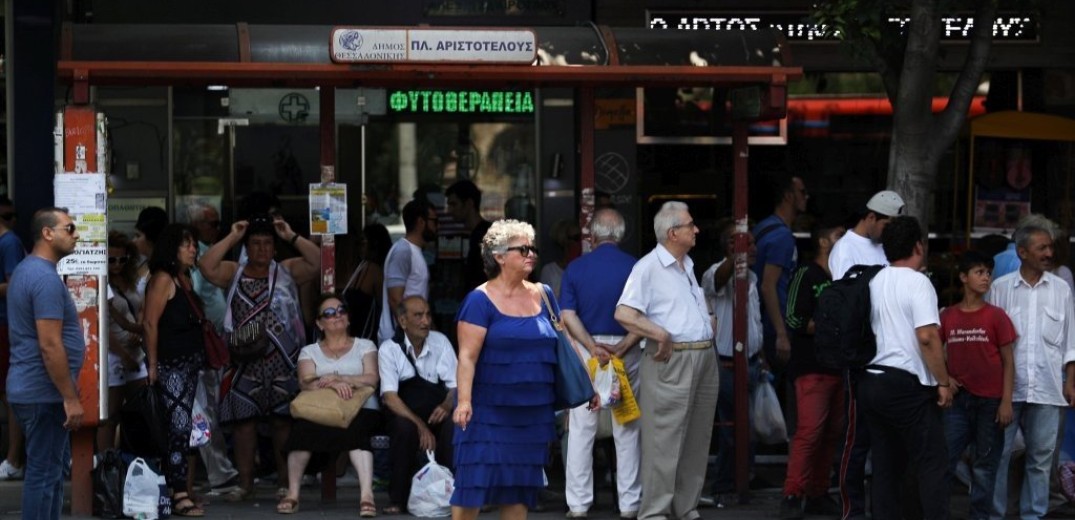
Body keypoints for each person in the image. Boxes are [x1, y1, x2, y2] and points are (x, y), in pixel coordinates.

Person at [452, 219, 572, 519]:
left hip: (532, 413)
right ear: (500, 257)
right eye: (522, 249)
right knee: (473, 482)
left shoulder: (543, 294)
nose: (531, 253)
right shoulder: (479, 300)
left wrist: (585, 385)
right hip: (487, 410)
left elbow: (562, 344)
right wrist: (464, 401)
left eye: (532, 248)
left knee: (519, 486)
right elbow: (466, 356)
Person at [199, 214, 321, 499]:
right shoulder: (234, 271)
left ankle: (283, 482)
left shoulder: (287, 270)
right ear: (247, 247)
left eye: (268, 244)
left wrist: (290, 235)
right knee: (244, 423)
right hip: (244, 359)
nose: (262, 249)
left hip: (284, 360)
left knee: (282, 422)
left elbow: (317, 262)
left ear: (275, 248)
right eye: (256, 244)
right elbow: (205, 266)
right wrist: (233, 236)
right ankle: (245, 484)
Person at [614, 201, 718, 520]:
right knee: (663, 438)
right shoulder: (647, 267)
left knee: (697, 438)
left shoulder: (686, 263)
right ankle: (655, 511)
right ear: (674, 233)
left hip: (701, 356)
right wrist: (660, 333)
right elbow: (624, 313)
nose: (696, 229)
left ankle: (685, 505)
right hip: (673, 359)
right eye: (690, 225)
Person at [853, 215, 953, 520]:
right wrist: (944, 382)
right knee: (932, 463)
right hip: (906, 385)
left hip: (871, 381)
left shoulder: (874, 279)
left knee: (885, 466)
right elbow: (926, 337)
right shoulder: (918, 282)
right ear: (918, 246)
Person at [987, 219, 1075, 520]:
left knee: (1040, 460)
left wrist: (1071, 381)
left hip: (1049, 388)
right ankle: (995, 515)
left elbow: (1071, 341)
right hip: (1008, 391)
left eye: (1050, 247)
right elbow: (991, 343)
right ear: (1023, 252)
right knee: (998, 456)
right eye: (1042, 248)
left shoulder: (1062, 289)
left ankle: (1033, 516)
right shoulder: (1000, 289)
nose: (1049, 253)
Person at [560, 208, 643, 519]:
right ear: (620, 235)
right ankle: (630, 504)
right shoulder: (636, 268)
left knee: (582, 428)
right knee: (627, 425)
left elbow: (568, 315)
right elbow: (644, 316)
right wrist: (622, 345)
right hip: (626, 350)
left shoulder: (576, 268)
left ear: (591, 236)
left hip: (588, 352)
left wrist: (591, 346)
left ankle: (578, 505)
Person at [829, 190, 904, 520]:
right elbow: (848, 304)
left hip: (889, 352)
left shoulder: (885, 247)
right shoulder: (845, 249)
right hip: (862, 354)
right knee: (856, 439)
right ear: (871, 217)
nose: (889, 231)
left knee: (886, 441)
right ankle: (852, 511)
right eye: (886, 223)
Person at [6, 208, 84, 520]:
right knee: (43, 474)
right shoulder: (43, 278)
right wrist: (70, 397)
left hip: (33, 390)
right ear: (48, 233)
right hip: (43, 392)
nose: (75, 234)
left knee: (49, 473)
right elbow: (50, 345)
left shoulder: (28, 271)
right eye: (69, 228)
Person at [278, 294, 382, 516]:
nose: (337, 316)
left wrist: (341, 379)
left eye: (341, 310)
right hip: (322, 409)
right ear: (319, 323)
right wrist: (333, 386)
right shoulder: (310, 351)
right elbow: (305, 382)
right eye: (329, 313)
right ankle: (292, 494)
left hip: (361, 407)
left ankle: (367, 496)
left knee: (357, 430)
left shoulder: (365, 345)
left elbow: (372, 378)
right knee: (302, 430)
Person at [939, 251, 1016, 520]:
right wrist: (945, 379)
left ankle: (980, 516)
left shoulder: (997, 316)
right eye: (979, 272)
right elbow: (932, 349)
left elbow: (1008, 360)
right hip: (957, 402)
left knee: (985, 466)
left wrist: (1006, 401)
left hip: (991, 402)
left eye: (988, 273)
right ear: (963, 277)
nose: (985, 278)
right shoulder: (947, 316)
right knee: (945, 461)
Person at [780, 220, 847, 519]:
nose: (844, 242)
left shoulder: (843, 277)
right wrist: (830, 327)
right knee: (809, 433)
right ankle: (793, 494)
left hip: (839, 367)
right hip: (812, 367)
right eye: (838, 235)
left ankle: (818, 493)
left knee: (831, 434)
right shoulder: (807, 273)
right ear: (823, 242)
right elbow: (793, 318)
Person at [143, 224, 208, 517]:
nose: (193, 249)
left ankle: (180, 489)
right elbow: (150, 323)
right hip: (171, 366)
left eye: (194, 244)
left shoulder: (186, 279)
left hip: (189, 365)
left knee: (185, 428)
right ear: (172, 248)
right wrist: (153, 365)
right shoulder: (162, 279)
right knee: (179, 427)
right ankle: (178, 492)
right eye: (187, 244)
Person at [702, 219, 764, 507]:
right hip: (726, 362)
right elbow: (718, 282)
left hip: (751, 361)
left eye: (750, 243)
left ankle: (743, 476)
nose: (749, 248)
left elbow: (753, 320)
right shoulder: (714, 272)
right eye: (740, 243)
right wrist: (734, 255)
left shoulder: (751, 277)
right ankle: (725, 483)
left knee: (747, 427)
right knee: (732, 429)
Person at [378, 295, 457, 514]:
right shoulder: (389, 349)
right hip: (405, 414)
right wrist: (420, 426)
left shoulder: (440, 341)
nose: (426, 321)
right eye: (418, 316)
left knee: (455, 425)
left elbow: (455, 387)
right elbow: (390, 397)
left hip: (437, 411)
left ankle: (453, 493)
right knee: (405, 430)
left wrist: (447, 406)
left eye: (428, 315)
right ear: (402, 321)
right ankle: (398, 499)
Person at [185, 202, 241, 496]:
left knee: (208, 410)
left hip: (214, 342)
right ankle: (218, 473)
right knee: (202, 412)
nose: (216, 228)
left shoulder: (204, 255)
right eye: (212, 223)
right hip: (198, 346)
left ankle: (218, 472)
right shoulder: (192, 265)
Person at [98, 231, 148, 452]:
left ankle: (135, 458)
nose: (117, 264)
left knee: (141, 409)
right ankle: (106, 462)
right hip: (112, 352)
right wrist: (123, 355)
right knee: (110, 415)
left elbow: (139, 307)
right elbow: (102, 327)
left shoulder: (131, 279)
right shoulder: (100, 282)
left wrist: (139, 327)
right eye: (111, 259)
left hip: (135, 349)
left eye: (122, 259)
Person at [753, 174, 808, 368]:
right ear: (788, 196)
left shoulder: (764, 227)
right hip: (773, 325)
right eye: (802, 192)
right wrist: (781, 333)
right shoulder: (781, 236)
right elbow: (768, 285)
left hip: (761, 321)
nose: (806, 197)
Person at [378, 198, 438, 344]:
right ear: (421, 222)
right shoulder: (403, 251)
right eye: (434, 221)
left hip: (411, 337)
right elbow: (395, 299)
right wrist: (409, 334)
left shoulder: (413, 251)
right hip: (400, 340)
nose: (437, 226)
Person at [0, 197, 26, 481]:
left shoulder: (9, 243)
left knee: (10, 393)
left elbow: (14, 285)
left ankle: (14, 458)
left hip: (6, 324)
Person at [343, 223, 391, 341]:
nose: (360, 247)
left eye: (363, 243)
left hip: (364, 336)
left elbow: (383, 305)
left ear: (374, 244)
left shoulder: (373, 271)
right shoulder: (361, 267)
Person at [446, 179, 492, 294]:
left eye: (453, 204)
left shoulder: (484, 235)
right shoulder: (478, 234)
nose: (449, 211)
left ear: (469, 204)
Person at [540, 218, 581, 298]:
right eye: (576, 238)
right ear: (564, 241)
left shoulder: (585, 268)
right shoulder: (549, 271)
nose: (580, 242)